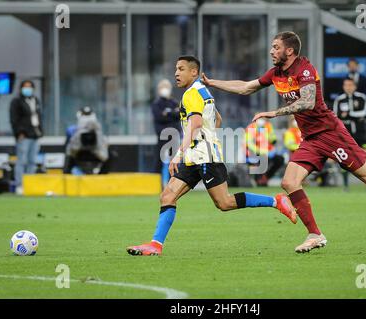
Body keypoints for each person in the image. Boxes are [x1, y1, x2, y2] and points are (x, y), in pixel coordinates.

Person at [201, 31, 366, 253]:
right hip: (311, 139)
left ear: (289, 51)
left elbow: (308, 102)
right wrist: (212, 83)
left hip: (331, 134)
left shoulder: (305, 70)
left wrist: (274, 113)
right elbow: (247, 87)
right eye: (272, 47)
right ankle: (315, 234)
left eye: (276, 47)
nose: (271, 51)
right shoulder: (276, 73)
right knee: (289, 182)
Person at [126, 56, 297, 256]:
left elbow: (196, 123)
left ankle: (276, 201)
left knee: (224, 203)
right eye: (175, 69)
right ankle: (156, 244)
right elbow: (217, 118)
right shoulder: (202, 91)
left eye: (181, 69)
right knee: (168, 196)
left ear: (194, 72)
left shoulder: (191, 94)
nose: (176, 73)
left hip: (205, 157)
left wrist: (178, 154)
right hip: (197, 155)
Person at [333, 78, 366, 191]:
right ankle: (346, 185)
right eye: (346, 85)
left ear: (355, 86)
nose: (348, 87)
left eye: (350, 85)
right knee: (345, 158)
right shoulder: (339, 100)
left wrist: (348, 114)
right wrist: (354, 116)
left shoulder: (361, 98)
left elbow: (364, 112)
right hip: (346, 134)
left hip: (360, 132)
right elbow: (336, 116)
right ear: (343, 86)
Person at [9, 80, 43, 195]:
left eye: (30, 87)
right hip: (23, 135)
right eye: (25, 87)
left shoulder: (35, 100)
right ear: (21, 88)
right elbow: (14, 119)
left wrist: (41, 132)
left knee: (32, 161)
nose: (27, 89)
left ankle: (30, 185)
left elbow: (38, 117)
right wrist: (19, 133)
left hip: (35, 135)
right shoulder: (16, 101)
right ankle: (20, 185)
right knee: (21, 161)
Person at [151, 79, 181, 186]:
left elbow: (179, 115)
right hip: (162, 136)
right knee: (158, 161)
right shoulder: (156, 104)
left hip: (174, 135)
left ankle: (172, 184)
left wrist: (167, 114)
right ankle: (156, 186)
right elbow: (159, 117)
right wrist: (172, 114)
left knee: (174, 161)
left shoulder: (174, 102)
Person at [63, 106, 110, 174]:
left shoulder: (97, 131)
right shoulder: (74, 130)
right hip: (85, 157)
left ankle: (67, 173)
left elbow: (71, 150)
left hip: (92, 157)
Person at [245, 118, 284, 186]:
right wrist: (260, 151)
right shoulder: (251, 128)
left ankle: (266, 177)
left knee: (280, 159)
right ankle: (259, 180)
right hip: (254, 152)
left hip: (268, 152)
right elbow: (250, 144)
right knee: (262, 159)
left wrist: (266, 133)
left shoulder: (268, 126)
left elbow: (273, 140)